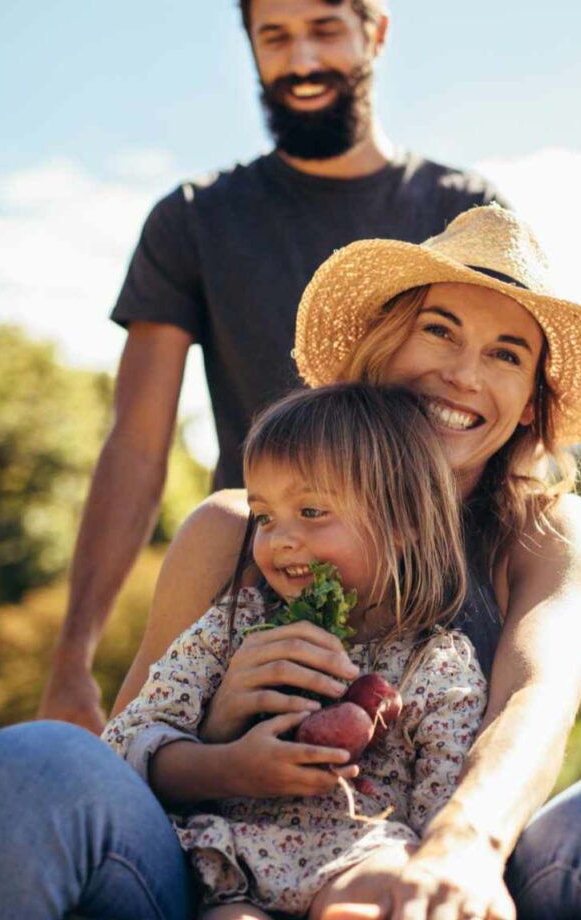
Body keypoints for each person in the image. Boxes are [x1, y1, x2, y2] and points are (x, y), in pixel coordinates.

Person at [0, 206, 581, 919]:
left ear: (531, 401)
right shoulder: (233, 529)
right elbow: (125, 755)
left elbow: (537, 700)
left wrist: (463, 845)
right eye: (439, 329)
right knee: (28, 760)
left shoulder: (545, 530)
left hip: (430, 864)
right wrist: (221, 726)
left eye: (507, 355)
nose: (463, 372)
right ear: (384, 344)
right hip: (213, 871)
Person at [40, 0, 509, 734]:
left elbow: (505, 415)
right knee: (151, 791)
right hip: (257, 587)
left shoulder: (458, 212)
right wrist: (74, 653)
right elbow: (137, 446)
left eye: (325, 31)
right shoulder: (194, 220)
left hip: (435, 602)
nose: (300, 61)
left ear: (376, 34)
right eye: (275, 36)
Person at [102, 383, 488, 919]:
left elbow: (442, 806)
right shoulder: (232, 630)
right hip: (232, 865)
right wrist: (228, 766)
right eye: (264, 517)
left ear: (400, 525)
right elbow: (122, 746)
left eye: (310, 511)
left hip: (360, 856)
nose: (279, 538)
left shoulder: (437, 664)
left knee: (390, 882)